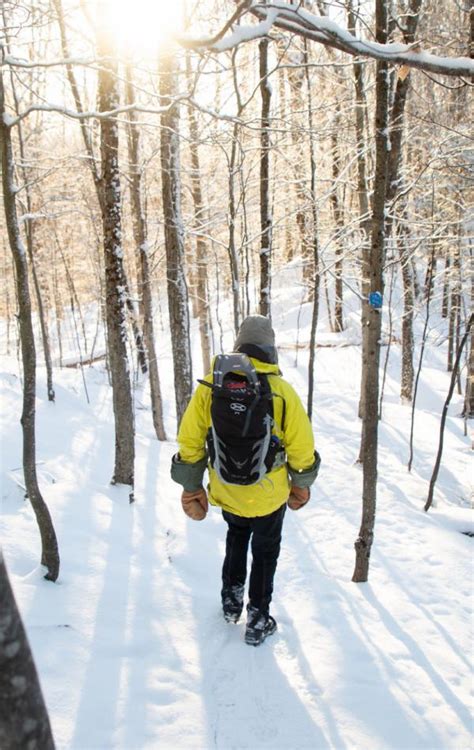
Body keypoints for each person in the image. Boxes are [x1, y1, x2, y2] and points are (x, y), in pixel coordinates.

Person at [171, 315, 320, 646]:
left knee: (236, 538)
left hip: (228, 488)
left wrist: (191, 484)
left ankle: (231, 602)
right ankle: (258, 617)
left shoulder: (212, 387)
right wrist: (302, 482)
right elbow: (301, 446)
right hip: (269, 495)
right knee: (266, 551)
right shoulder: (281, 391)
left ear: (239, 345)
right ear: (270, 349)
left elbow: (190, 439)